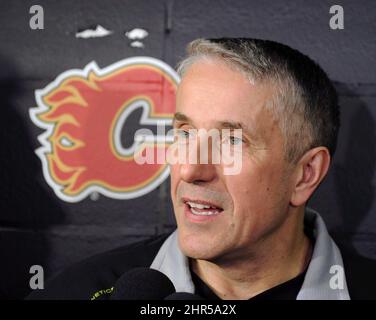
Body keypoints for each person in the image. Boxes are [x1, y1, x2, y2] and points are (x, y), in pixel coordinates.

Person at [27, 38, 376, 300]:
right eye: (185, 133)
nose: (192, 170)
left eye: (231, 141)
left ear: (305, 174)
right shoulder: (78, 291)